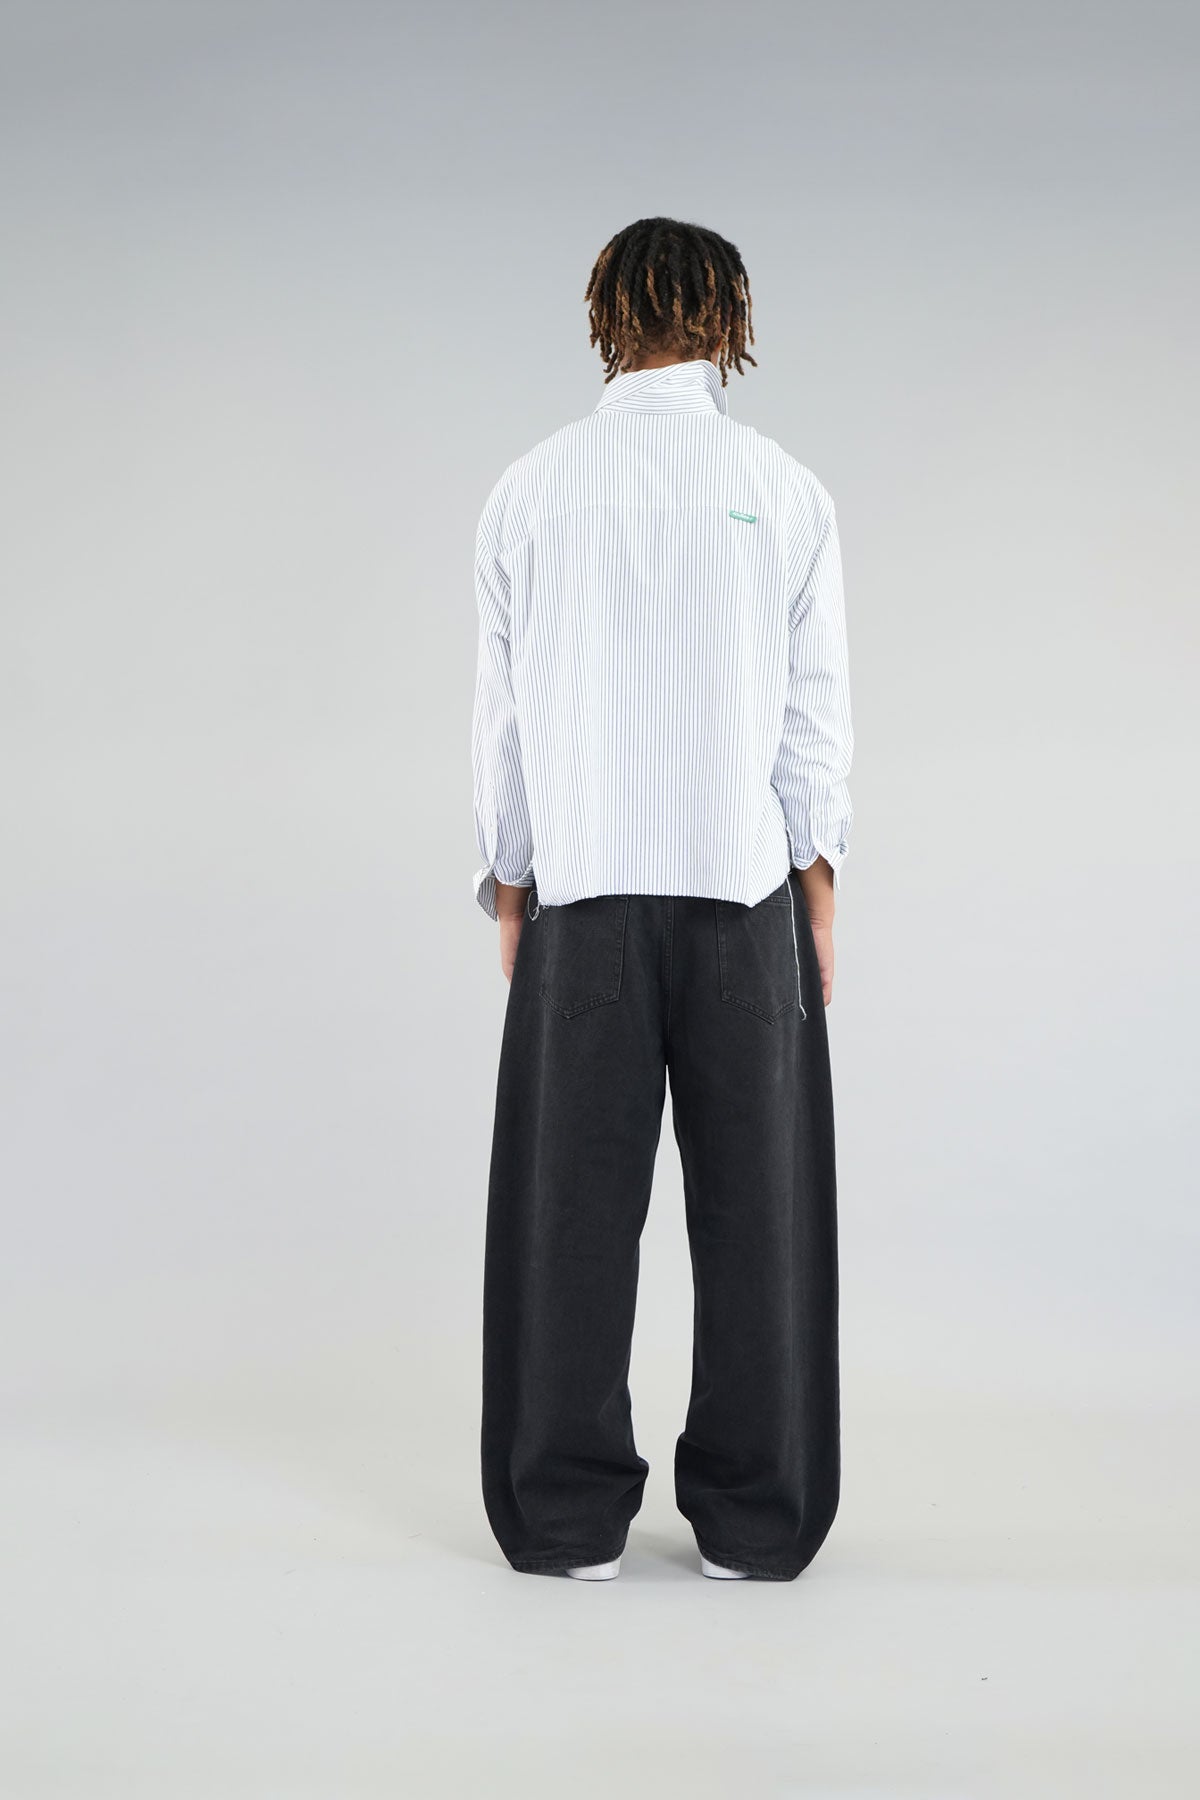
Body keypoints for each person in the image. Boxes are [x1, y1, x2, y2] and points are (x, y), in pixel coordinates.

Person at [470, 216, 854, 1582]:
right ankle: (758, 1519)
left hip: (584, 897)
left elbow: (506, 719)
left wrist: (510, 881)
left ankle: (564, 1518)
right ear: (729, 320)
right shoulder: (785, 490)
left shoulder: (531, 490)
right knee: (762, 1219)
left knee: (567, 1217)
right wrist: (818, 891)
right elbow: (814, 719)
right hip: (742, 892)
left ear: (604, 315)